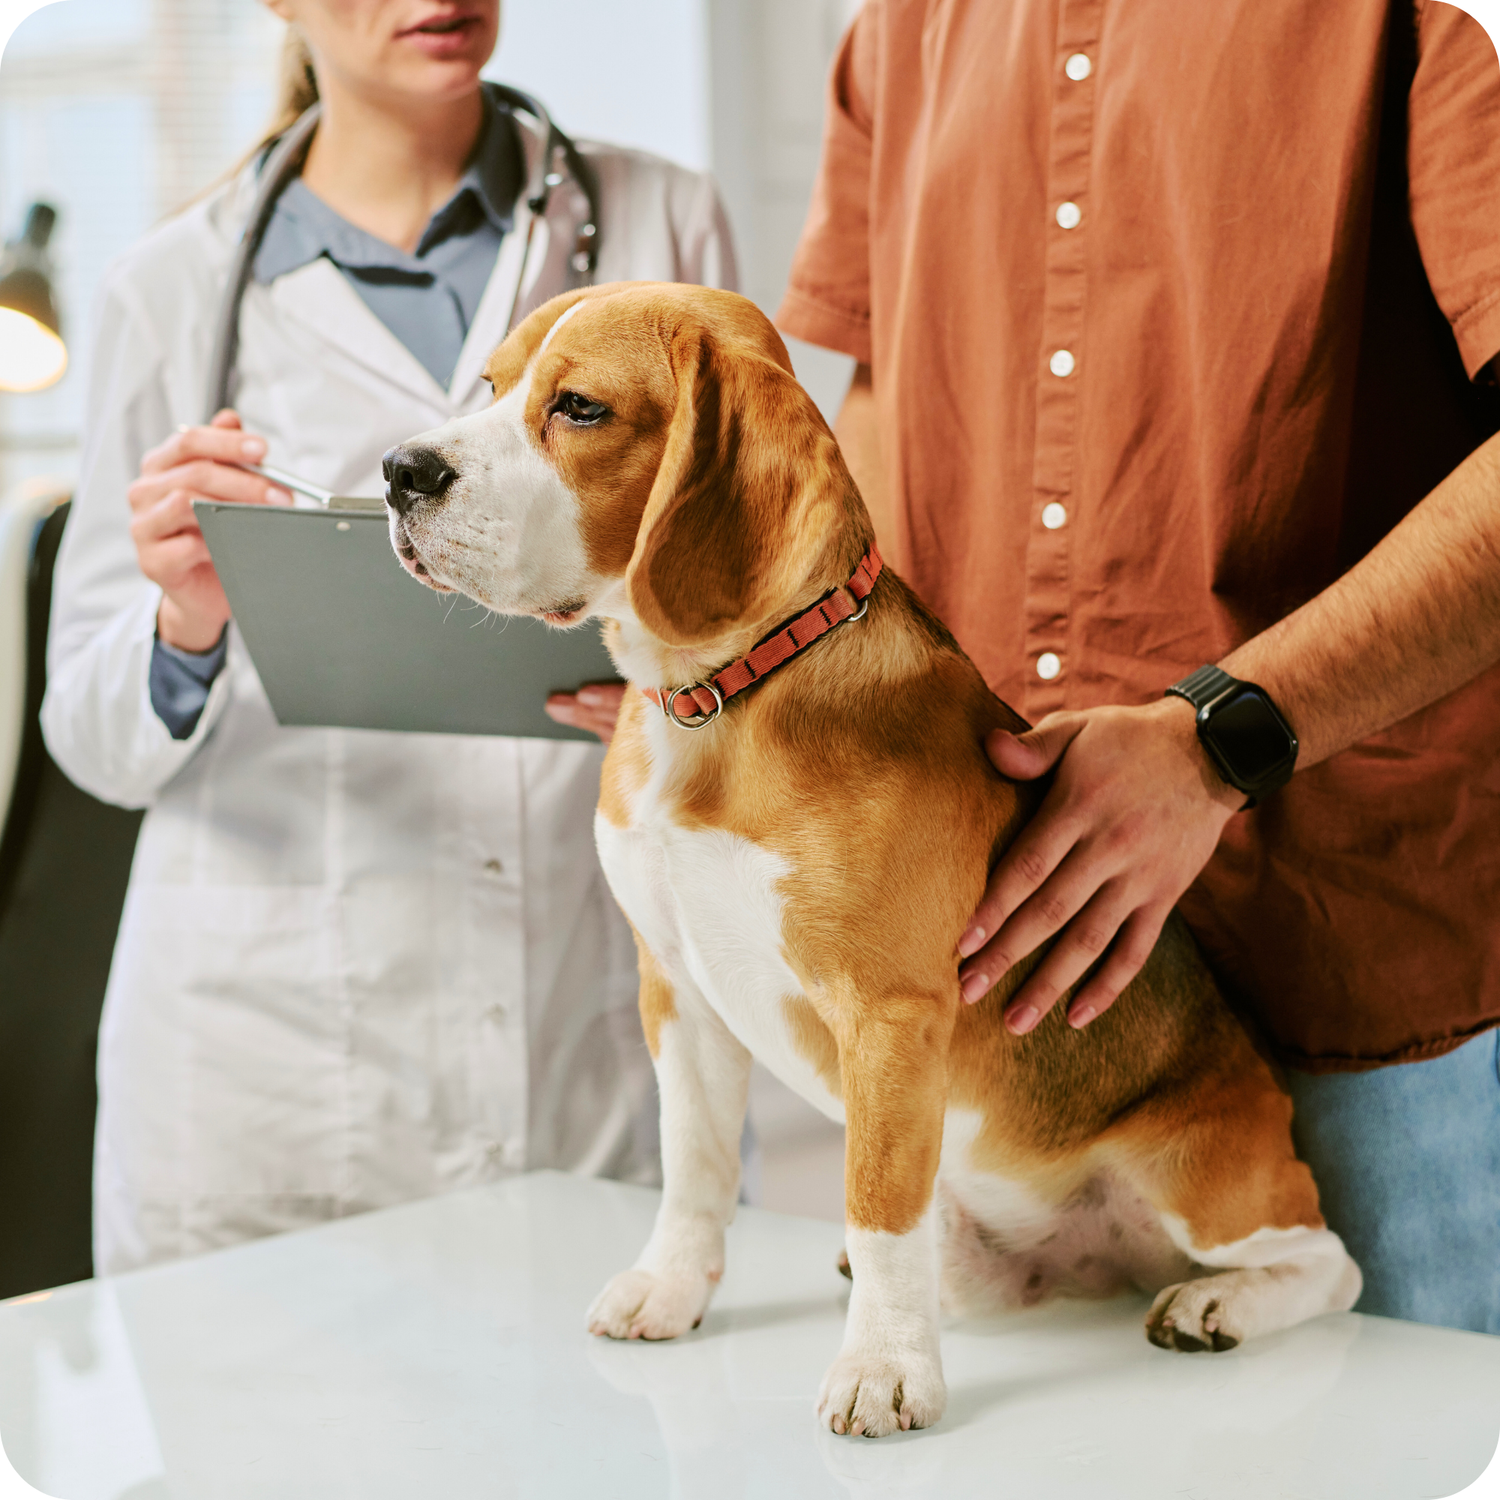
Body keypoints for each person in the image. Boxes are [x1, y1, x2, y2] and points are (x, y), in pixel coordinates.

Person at [777, 0, 1500, 1332]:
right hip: (1010, 1001)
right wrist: (762, 670)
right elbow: (886, 397)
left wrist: (1220, 737)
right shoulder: (894, 27)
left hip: (1352, 964)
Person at [40, 0, 736, 1275]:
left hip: (572, 1022)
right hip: (267, 1076)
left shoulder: (655, 225)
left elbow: (750, 587)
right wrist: (184, 620)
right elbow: (90, 737)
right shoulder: (171, 288)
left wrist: (681, 680)